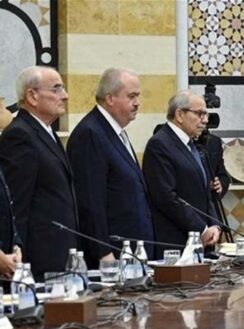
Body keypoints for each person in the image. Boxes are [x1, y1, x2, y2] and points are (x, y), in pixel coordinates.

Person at [67, 68, 154, 268]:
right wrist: (103, 251)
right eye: (131, 96)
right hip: (112, 256)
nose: (137, 103)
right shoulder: (90, 134)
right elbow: (89, 200)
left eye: (138, 96)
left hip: (132, 252)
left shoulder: (115, 131)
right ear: (110, 98)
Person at [0, 66, 77, 279]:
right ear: (32, 96)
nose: (65, 95)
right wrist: (18, 260)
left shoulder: (46, 131)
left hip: (62, 255)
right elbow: (16, 206)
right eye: (56, 89)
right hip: (38, 262)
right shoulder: (19, 135)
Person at [143, 91, 221, 257]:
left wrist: (214, 225)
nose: (205, 120)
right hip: (175, 244)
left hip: (201, 243)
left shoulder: (192, 145)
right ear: (179, 115)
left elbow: (205, 193)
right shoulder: (160, 144)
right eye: (200, 114)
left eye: (206, 114)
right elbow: (165, 197)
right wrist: (202, 229)